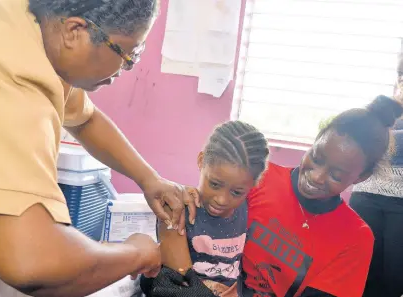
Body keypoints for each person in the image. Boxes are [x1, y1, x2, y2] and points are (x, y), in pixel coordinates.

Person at [0, 0, 197, 296]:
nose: (123, 71)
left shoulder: (29, 24)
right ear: (75, 31)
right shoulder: (3, 80)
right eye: (128, 54)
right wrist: (138, 252)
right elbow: (29, 263)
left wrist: (148, 178)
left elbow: (85, 119)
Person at [233, 95, 403, 297]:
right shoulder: (260, 177)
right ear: (315, 141)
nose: (316, 176)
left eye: (336, 175)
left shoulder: (356, 238)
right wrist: (184, 196)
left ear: (361, 177)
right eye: (316, 157)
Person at [141, 121, 270, 297]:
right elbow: (181, 280)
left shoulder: (250, 210)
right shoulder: (177, 208)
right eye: (214, 184)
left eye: (237, 192)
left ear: (253, 186)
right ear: (201, 161)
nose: (222, 199)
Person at [349, 54, 403, 297]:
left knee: (394, 278)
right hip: (368, 191)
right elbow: (367, 142)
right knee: (359, 272)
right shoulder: (385, 110)